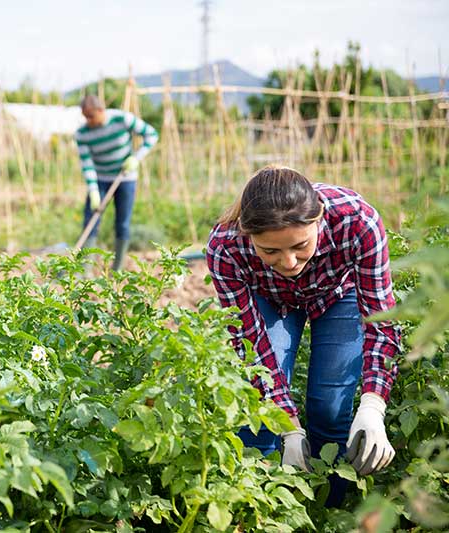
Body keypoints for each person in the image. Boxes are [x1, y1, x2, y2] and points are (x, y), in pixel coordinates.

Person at [206, 165, 399, 505]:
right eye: (270, 252)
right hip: (268, 298)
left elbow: (381, 321)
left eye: (300, 245)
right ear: (249, 236)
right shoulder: (226, 248)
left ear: (320, 218)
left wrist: (373, 405)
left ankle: (330, 509)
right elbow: (251, 346)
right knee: (259, 415)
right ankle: (258, 506)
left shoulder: (358, 221)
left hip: (337, 295)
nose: (290, 261)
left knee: (330, 407)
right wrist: (289, 427)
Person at [74, 95, 158, 271]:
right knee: (91, 220)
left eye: (91, 116)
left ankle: (117, 269)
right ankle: (85, 271)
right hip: (100, 179)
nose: (88, 120)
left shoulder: (122, 119)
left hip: (125, 177)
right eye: (85, 117)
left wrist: (136, 157)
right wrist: (94, 191)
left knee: (122, 223)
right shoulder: (82, 134)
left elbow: (151, 134)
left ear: (101, 110)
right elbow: (87, 164)